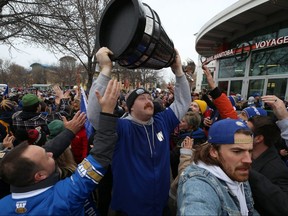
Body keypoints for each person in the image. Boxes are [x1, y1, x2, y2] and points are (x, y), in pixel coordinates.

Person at [87, 47, 191, 215]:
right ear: (130, 108)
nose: (148, 101)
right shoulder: (121, 128)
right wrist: (105, 69)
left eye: (149, 98)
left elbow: (183, 102)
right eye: (142, 99)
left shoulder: (161, 122)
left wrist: (178, 71)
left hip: (160, 206)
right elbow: (95, 116)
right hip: (130, 210)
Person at [0, 79, 120, 215]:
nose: (51, 153)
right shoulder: (63, 198)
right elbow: (99, 157)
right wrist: (108, 112)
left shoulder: (4, 205)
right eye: (46, 156)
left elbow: (45, 153)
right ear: (40, 176)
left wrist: (69, 133)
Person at [177, 119, 257, 215]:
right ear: (214, 152)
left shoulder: (235, 170)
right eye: (237, 151)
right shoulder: (199, 184)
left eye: (250, 151)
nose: (248, 160)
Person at [247, 96, 288, 216]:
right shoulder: (245, 155)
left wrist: (248, 172)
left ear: (258, 139)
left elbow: (283, 207)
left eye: (245, 131)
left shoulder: (277, 169)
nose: (239, 133)